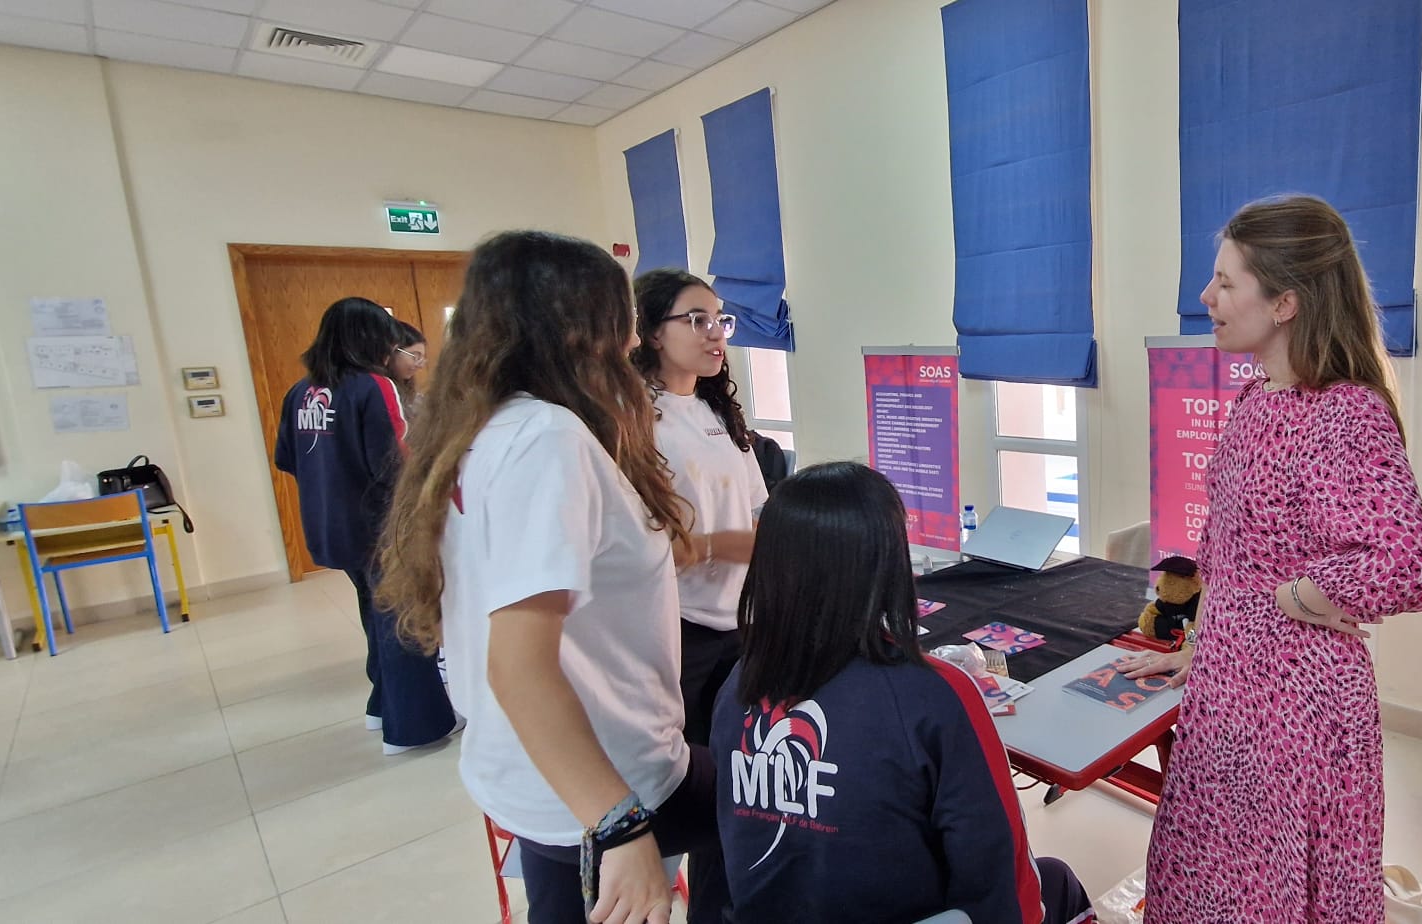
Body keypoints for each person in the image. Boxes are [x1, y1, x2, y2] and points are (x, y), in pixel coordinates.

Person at [375, 233, 727, 924]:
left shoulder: (484, 428)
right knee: (764, 813)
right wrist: (617, 823)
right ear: (575, 328)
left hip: (537, 768)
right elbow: (519, 666)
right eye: (620, 319)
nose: (631, 340)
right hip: (599, 774)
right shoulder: (547, 439)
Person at [1117, 195, 1422, 922]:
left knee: (1265, 893)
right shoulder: (1256, 400)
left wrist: (1295, 598)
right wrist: (1203, 646)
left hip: (1295, 712)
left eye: (1226, 282)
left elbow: (1405, 562)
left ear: (1286, 303)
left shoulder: (1345, 413)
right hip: (1231, 692)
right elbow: (1230, 554)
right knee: (1213, 882)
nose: (1206, 297)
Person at [713, 462, 1094, 924]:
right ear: (889, 563)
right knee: (1057, 882)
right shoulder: (935, 694)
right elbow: (1000, 875)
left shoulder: (738, 685)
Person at [274, 297, 458, 756]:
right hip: (381, 525)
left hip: (328, 524)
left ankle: (381, 705)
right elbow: (397, 462)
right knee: (403, 619)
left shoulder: (300, 392)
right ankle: (414, 726)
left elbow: (287, 459)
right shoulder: (373, 386)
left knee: (374, 613)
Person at [632, 268, 769, 747]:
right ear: (652, 333)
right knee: (686, 757)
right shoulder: (631, 420)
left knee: (737, 748)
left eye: (720, 319)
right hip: (675, 626)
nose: (716, 333)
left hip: (739, 618)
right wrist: (719, 546)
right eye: (696, 320)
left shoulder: (719, 412)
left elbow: (756, 509)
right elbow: (632, 548)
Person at [386, 320, 428, 420]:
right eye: (415, 356)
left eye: (421, 358)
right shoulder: (380, 390)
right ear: (393, 350)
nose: (420, 365)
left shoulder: (410, 392)